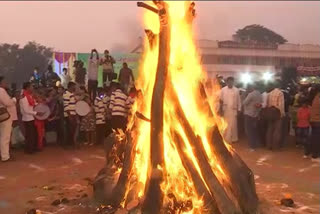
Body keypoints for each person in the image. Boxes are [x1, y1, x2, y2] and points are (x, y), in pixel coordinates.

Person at [20, 82, 41, 154]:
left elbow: (33, 104)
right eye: (31, 87)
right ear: (27, 88)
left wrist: (38, 103)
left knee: (33, 134)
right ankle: (29, 150)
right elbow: (26, 110)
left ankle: (32, 148)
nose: (32, 88)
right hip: (27, 118)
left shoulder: (29, 96)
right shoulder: (24, 97)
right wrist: (36, 113)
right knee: (30, 135)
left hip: (31, 118)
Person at [219, 77, 241, 143]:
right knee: (226, 124)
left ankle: (234, 139)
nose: (230, 83)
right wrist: (220, 110)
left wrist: (239, 109)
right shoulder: (223, 90)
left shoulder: (236, 90)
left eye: (231, 82)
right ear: (227, 82)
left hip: (233, 110)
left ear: (233, 82)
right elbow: (220, 100)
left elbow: (238, 100)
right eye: (229, 82)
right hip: (225, 109)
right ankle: (226, 139)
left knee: (233, 125)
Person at [0, 76, 16, 162]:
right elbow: (8, 103)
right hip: (4, 115)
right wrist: (13, 100)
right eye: (4, 81)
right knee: (5, 136)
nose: (5, 83)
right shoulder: (1, 90)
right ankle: (5, 156)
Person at [265, 81, 285, 150]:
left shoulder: (269, 93)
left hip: (270, 113)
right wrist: (282, 114)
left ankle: (268, 145)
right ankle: (275, 146)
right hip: (277, 113)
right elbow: (281, 105)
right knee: (277, 131)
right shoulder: (280, 93)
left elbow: (267, 104)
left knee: (270, 130)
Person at [243, 84, 262, 150]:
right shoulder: (260, 94)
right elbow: (260, 104)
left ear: (252, 87)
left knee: (249, 131)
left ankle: (252, 146)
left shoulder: (251, 94)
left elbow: (244, 103)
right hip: (256, 114)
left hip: (249, 114)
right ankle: (256, 144)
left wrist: (244, 96)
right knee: (254, 130)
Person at [63, 82, 78, 148]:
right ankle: (67, 144)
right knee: (69, 130)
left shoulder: (72, 94)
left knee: (73, 129)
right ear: (70, 86)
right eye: (73, 86)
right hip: (69, 115)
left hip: (73, 114)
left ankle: (71, 143)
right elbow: (66, 106)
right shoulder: (66, 94)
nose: (74, 88)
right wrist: (69, 116)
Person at [309, 86, 320, 161]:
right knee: (316, 139)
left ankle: (310, 153)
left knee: (314, 138)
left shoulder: (314, 97)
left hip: (313, 120)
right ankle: (315, 156)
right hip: (317, 121)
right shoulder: (318, 99)